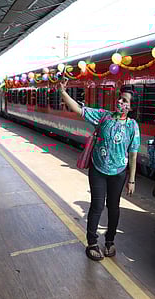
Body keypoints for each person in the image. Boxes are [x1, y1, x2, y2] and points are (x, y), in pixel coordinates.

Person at [59, 79, 140, 261]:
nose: (120, 102)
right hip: (98, 168)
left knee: (114, 207)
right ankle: (92, 243)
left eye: (125, 101)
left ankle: (110, 241)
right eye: (120, 99)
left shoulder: (133, 126)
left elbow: (133, 155)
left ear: (131, 108)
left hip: (119, 173)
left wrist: (132, 180)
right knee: (97, 206)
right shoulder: (103, 116)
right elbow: (79, 110)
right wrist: (63, 93)